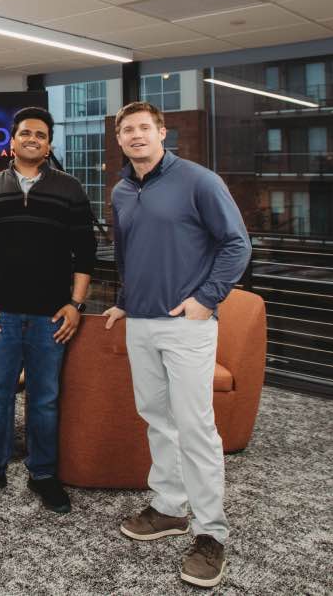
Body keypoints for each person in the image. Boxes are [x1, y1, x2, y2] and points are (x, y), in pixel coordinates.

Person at [103, 101, 250, 589]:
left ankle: (212, 533)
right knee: (157, 418)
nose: (137, 136)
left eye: (145, 128)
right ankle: (170, 507)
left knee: (195, 426)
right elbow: (128, 255)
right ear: (120, 140)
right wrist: (125, 300)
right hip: (140, 322)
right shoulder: (122, 190)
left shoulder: (199, 181)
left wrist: (206, 300)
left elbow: (236, 245)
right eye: (128, 130)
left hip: (187, 324)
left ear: (162, 133)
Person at [0, 106, 96, 514]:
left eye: (40, 134)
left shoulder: (70, 189)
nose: (32, 139)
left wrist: (76, 304)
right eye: (25, 133)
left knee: (44, 398)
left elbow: (86, 253)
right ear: (12, 140)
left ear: (49, 143)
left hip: (51, 317)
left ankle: (43, 474)